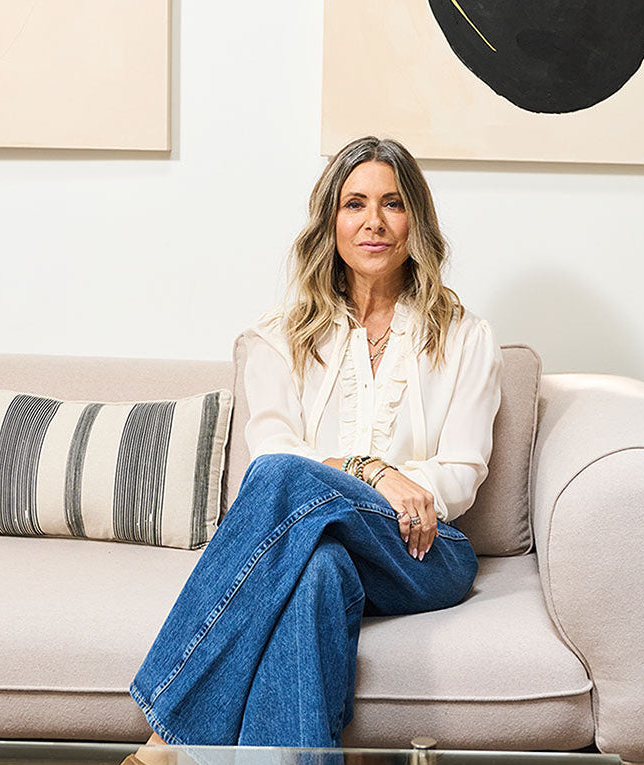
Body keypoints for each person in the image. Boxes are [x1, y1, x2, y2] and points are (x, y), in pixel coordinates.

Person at [126, 136, 503, 755]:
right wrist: (372, 471)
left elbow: (460, 473)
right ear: (331, 221)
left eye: (393, 203)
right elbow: (273, 448)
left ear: (417, 221)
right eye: (355, 203)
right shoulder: (279, 337)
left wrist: (375, 485)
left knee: (282, 480)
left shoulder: (465, 337)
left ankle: (168, 735)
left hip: (423, 549)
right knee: (318, 570)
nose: (374, 222)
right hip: (316, 543)